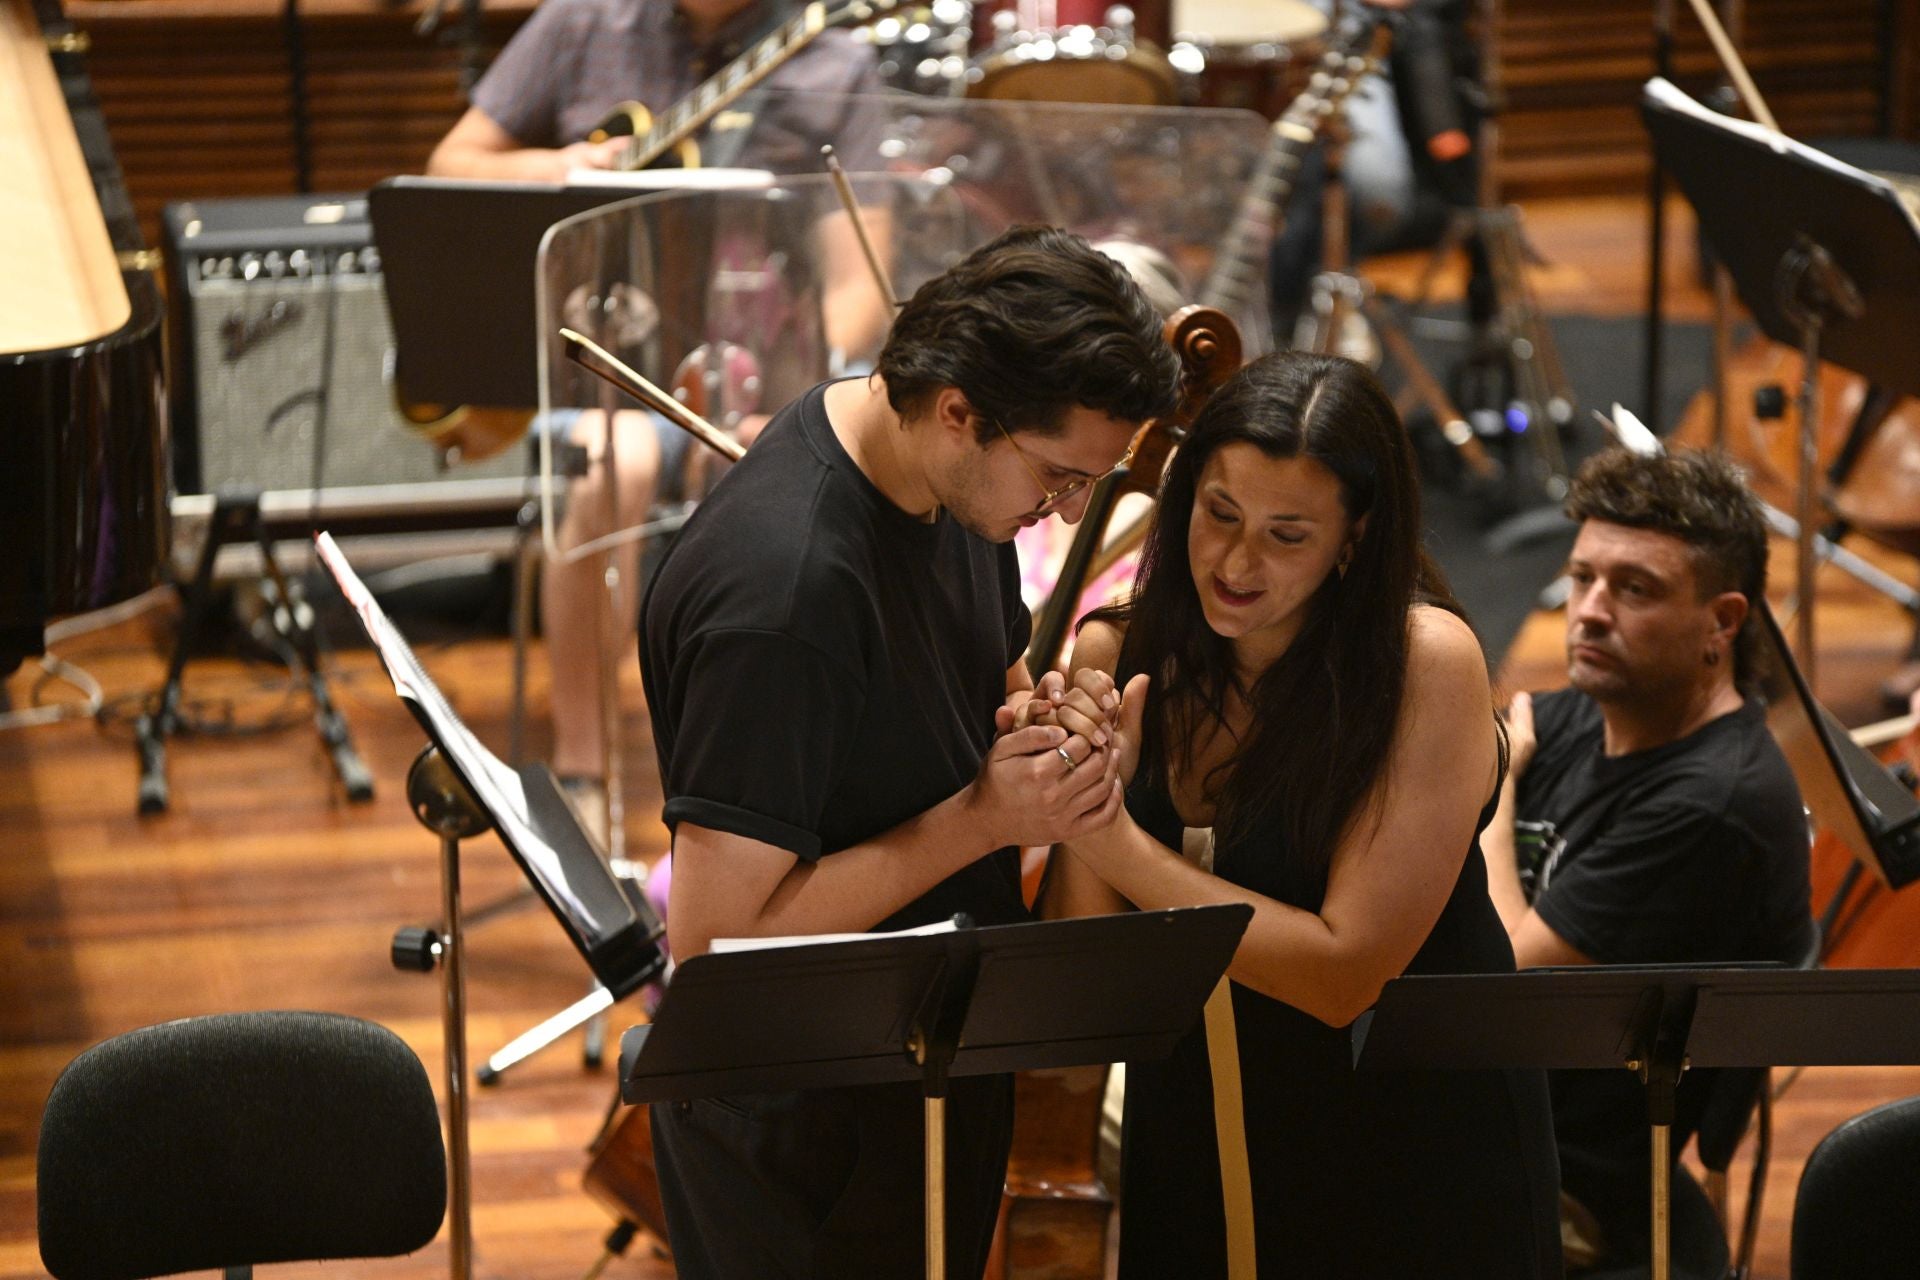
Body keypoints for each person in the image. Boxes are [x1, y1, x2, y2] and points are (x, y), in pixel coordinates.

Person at [638, 225, 1180, 1278]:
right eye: (1060, 477)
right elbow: (715, 945)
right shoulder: (785, 597)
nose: (1070, 511)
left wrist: (1045, 727)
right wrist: (984, 818)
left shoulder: (940, 484)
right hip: (805, 1123)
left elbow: (985, 687)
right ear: (959, 410)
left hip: (919, 1059)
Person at [1040, 350, 1563, 1278]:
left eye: (1287, 536)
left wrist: (1108, 836)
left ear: (1353, 541)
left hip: (1408, 1165)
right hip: (1188, 1154)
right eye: (1219, 513)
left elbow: (1341, 975)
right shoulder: (1119, 651)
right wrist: (1077, 798)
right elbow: (1087, 1004)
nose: (1237, 562)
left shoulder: (1424, 665)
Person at [425, 0, 892, 837]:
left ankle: (760, 778)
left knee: (783, 472)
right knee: (615, 464)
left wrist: (796, 398)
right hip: (605, 366)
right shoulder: (583, 23)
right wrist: (564, 165)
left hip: (764, 369)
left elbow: (860, 282)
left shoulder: (834, 62)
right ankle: (583, 774)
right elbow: (452, 160)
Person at [1480, 446, 1816, 1277]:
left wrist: (1499, 787)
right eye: (1582, 578)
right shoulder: (1593, 713)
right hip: (1489, 1121)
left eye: (1634, 589)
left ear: (1723, 622)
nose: (1590, 612)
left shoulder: (1714, 805)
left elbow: (1504, 977)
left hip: (1560, 1193)